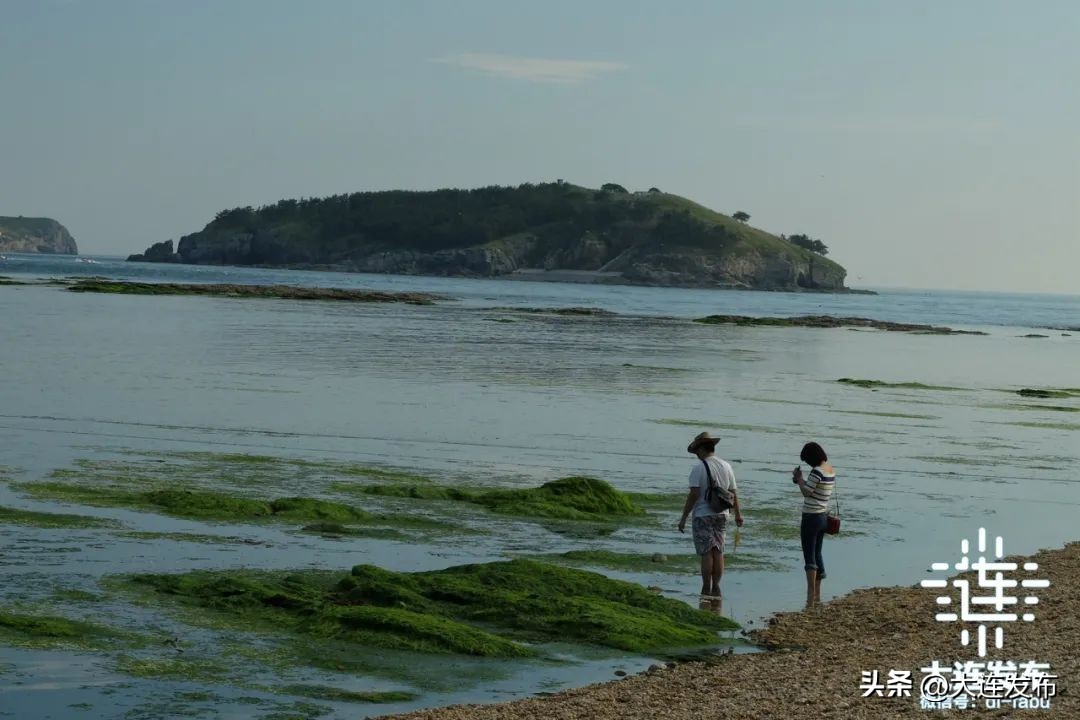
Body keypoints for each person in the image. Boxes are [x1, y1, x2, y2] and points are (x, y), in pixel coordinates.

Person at [678, 432, 743, 601]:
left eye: (697, 450)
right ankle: (717, 586)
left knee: (706, 552)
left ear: (701, 448)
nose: (696, 454)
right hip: (722, 514)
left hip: (702, 514)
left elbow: (694, 493)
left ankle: (706, 586)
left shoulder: (698, 468)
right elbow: (733, 493)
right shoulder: (726, 466)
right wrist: (738, 514)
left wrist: (684, 517)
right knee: (718, 550)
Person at [792, 441, 835, 608]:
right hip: (823, 516)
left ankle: (810, 594)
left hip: (811, 516)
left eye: (807, 460)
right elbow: (814, 489)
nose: (808, 464)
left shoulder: (816, 471)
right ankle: (817, 593)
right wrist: (801, 480)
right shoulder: (829, 469)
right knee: (817, 553)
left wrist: (799, 479)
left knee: (809, 555)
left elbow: (806, 492)